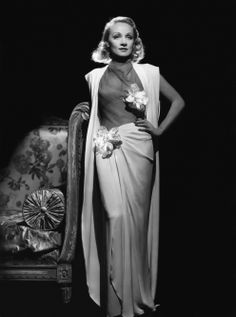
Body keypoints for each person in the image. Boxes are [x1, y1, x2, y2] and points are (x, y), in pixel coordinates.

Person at [81, 16, 185, 317]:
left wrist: (160, 129)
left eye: (128, 36)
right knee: (114, 215)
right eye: (116, 36)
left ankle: (133, 299)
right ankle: (114, 300)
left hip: (140, 148)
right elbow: (95, 118)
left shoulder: (149, 73)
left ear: (135, 41)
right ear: (107, 42)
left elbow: (178, 101)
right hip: (107, 149)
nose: (123, 41)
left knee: (136, 225)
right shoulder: (94, 77)